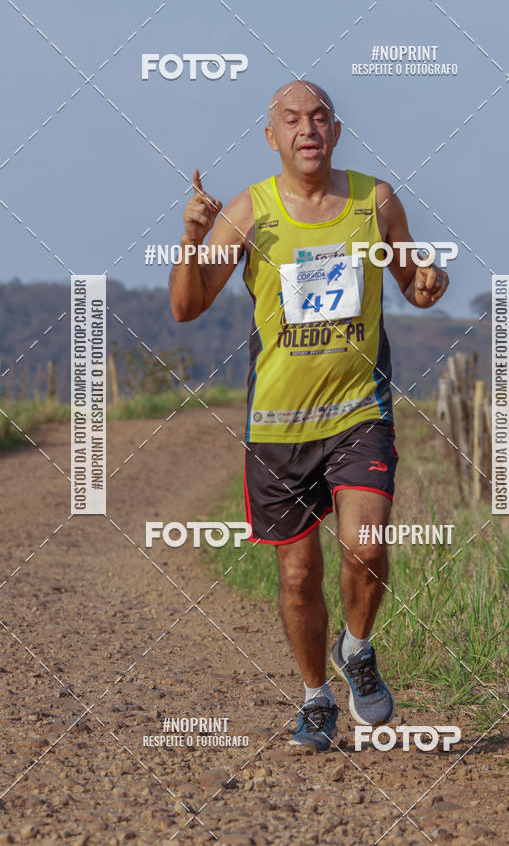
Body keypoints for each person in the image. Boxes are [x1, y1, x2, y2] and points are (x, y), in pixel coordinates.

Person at [170, 81, 449, 752]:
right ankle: (316, 697)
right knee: (298, 575)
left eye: (319, 117)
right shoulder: (248, 211)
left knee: (367, 544)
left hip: (360, 411)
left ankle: (357, 648)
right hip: (278, 425)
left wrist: (428, 282)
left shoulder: (373, 200)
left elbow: (415, 281)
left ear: (337, 129)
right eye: (292, 119)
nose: (307, 128)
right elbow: (187, 306)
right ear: (272, 137)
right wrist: (191, 239)